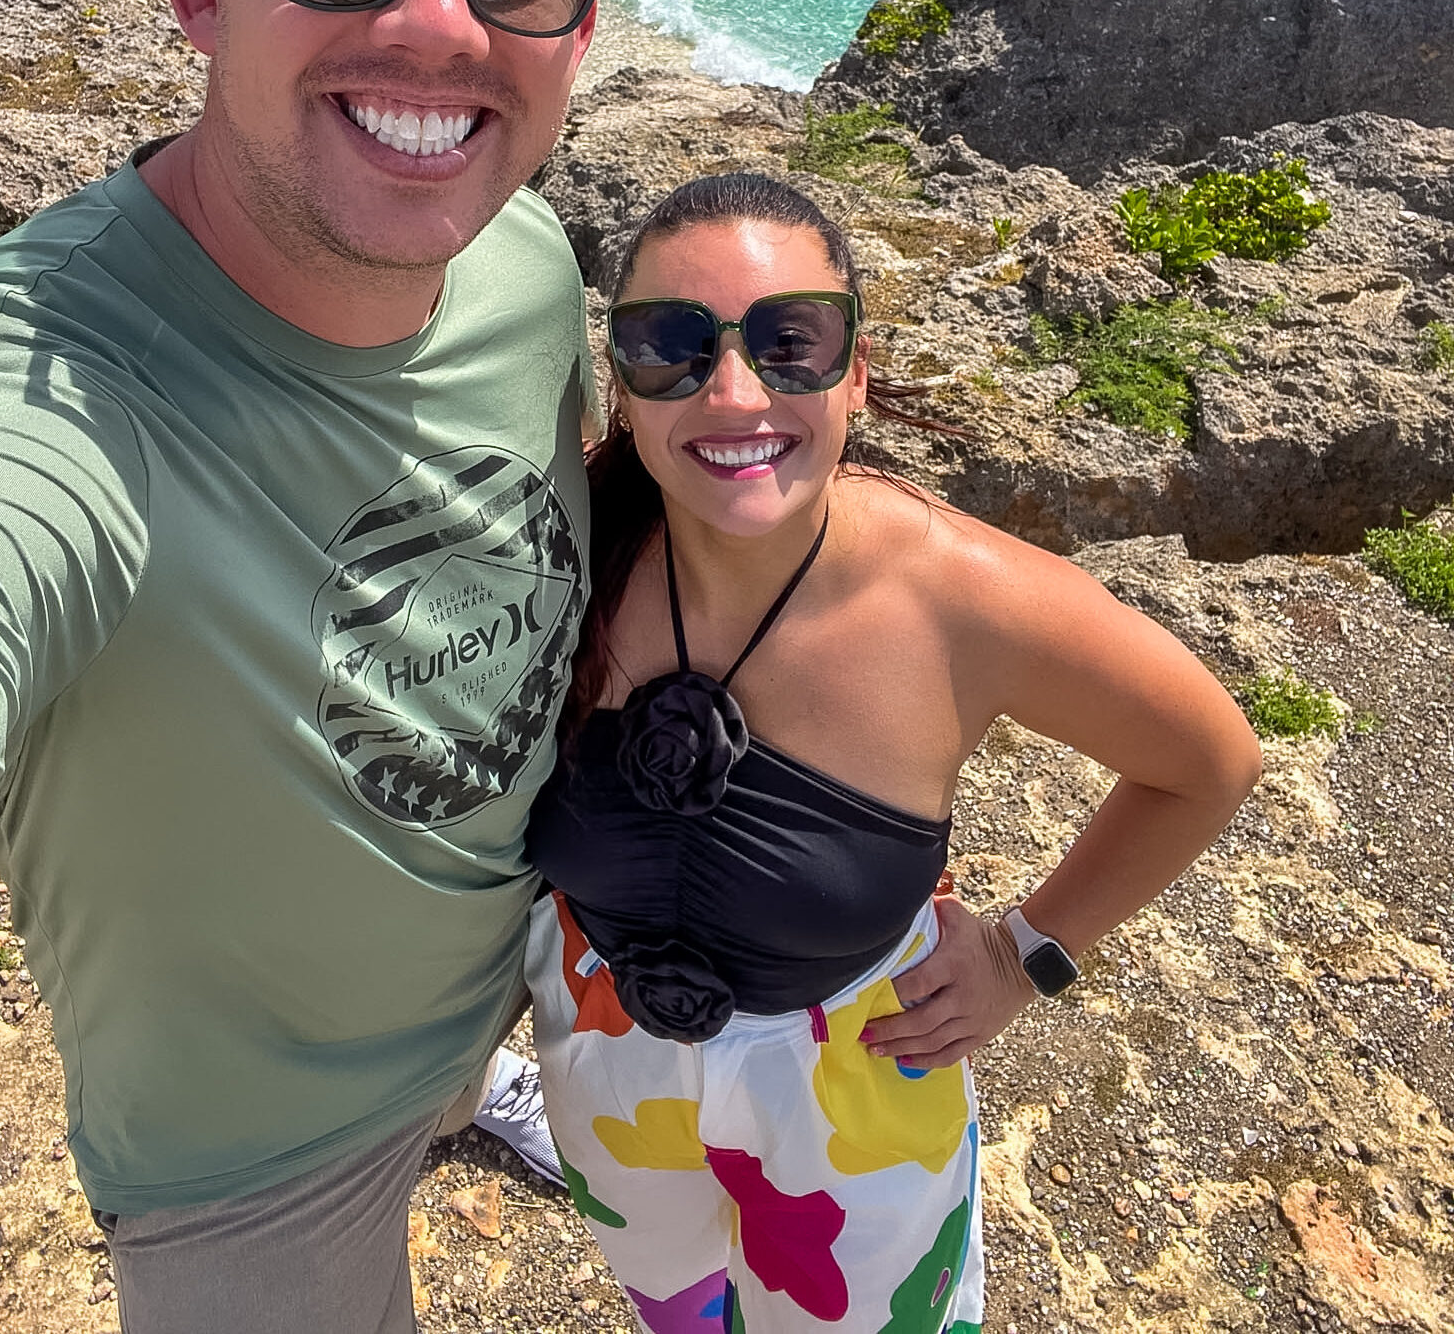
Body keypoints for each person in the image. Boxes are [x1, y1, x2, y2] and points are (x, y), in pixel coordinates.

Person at [0, 0, 623, 1332]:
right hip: (256, 1172)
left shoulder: (527, 262)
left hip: (515, 971)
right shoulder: (37, 392)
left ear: (579, 18)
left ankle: (475, 1094)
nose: (444, 24)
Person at [525, 172, 1264, 1334]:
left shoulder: (956, 600)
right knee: (676, 1314)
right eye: (671, 344)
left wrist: (1029, 955)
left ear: (856, 373)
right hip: (608, 1071)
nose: (733, 393)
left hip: (853, 1102)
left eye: (791, 343)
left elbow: (1208, 760)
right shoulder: (567, 549)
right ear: (621, 384)